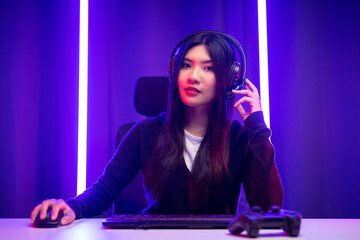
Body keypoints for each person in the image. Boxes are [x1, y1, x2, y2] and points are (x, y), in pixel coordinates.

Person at [30, 31, 283, 226]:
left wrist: (257, 127)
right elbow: (104, 190)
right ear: (174, 71)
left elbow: (269, 207)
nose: (193, 76)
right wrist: (71, 207)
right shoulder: (145, 133)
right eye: (186, 64)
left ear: (229, 79)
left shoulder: (240, 139)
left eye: (208, 68)